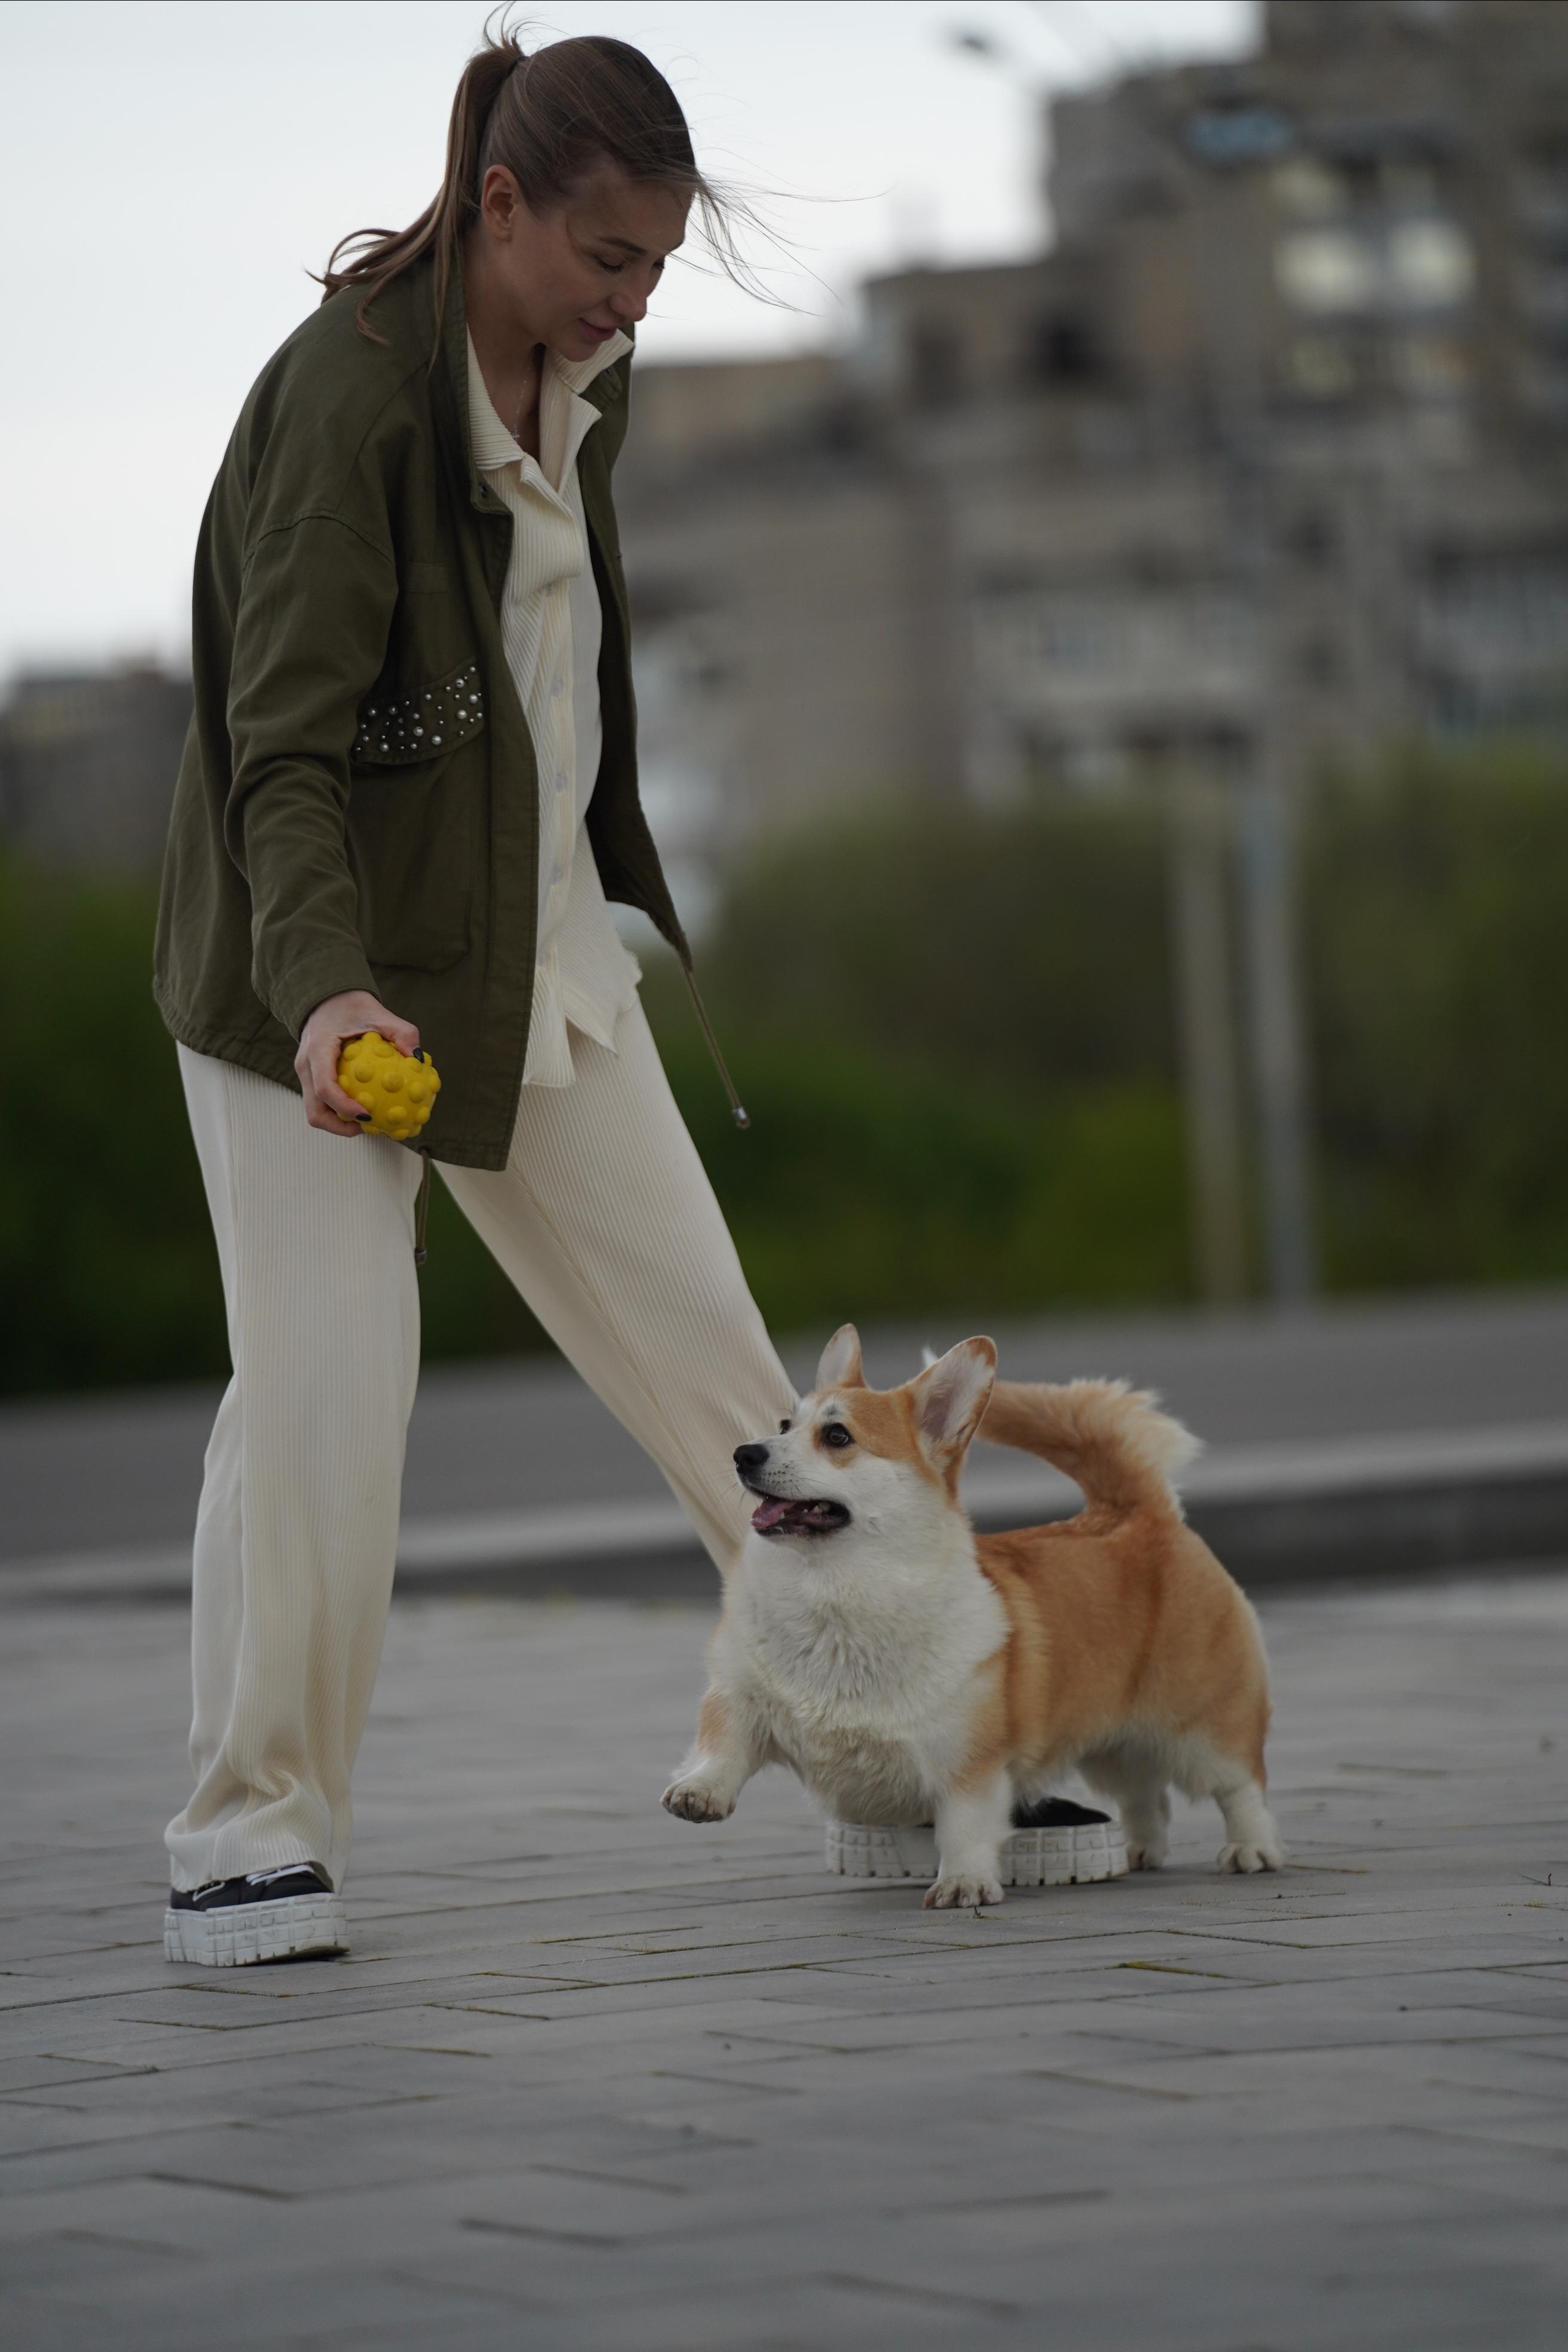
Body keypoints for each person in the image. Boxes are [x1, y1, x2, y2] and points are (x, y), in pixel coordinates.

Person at [153, 25, 794, 1968]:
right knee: (324, 1407)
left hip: (530, 948)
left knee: (728, 1377)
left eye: (658, 267)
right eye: (607, 257)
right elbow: (277, 752)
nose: (632, 300)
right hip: (310, 984)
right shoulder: (350, 401)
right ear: (500, 205)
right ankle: (249, 1835)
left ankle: (905, 1738)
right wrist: (330, 996)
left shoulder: (586, 365)